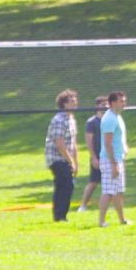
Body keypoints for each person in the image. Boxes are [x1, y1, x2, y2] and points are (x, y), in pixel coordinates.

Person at [94, 92, 130, 225]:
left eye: (124, 100)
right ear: (112, 103)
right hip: (110, 160)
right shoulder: (109, 118)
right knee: (108, 192)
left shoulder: (117, 116)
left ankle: (122, 219)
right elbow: (108, 143)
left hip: (118, 159)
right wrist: (114, 164)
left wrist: (124, 146)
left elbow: (118, 138)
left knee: (119, 192)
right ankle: (101, 221)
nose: (124, 103)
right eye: (121, 101)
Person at [45, 90, 80, 222]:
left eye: (75, 100)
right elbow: (59, 143)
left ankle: (60, 215)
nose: (75, 102)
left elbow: (73, 143)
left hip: (67, 158)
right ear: (64, 104)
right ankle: (60, 215)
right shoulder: (59, 119)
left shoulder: (71, 119)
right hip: (57, 158)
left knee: (64, 185)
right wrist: (70, 160)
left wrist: (75, 162)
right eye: (71, 101)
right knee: (66, 184)